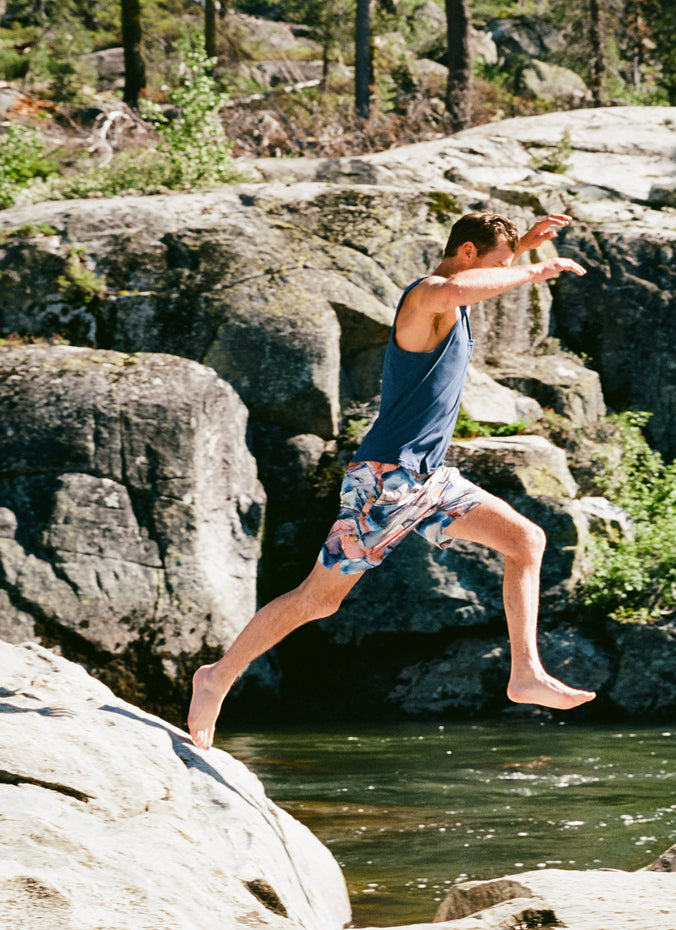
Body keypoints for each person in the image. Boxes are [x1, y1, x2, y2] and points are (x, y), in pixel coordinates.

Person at [187, 211, 595, 749]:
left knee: (526, 541)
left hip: (431, 479)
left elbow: (474, 283)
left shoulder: (459, 299)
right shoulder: (427, 295)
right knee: (319, 600)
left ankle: (525, 674)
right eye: (496, 262)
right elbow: (456, 285)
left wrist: (522, 254)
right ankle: (217, 677)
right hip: (387, 478)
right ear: (468, 253)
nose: (502, 274)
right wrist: (535, 272)